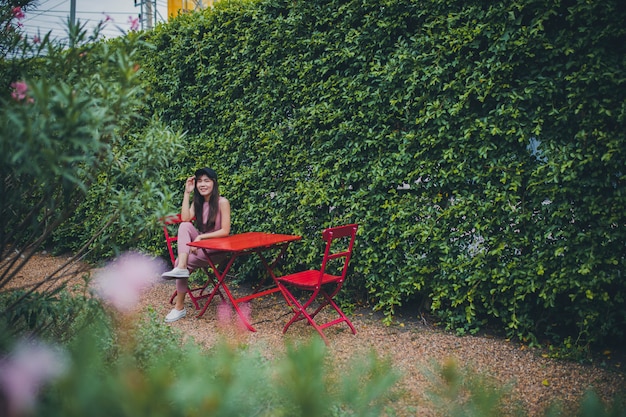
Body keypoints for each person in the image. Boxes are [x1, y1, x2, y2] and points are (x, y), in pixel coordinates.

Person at [161, 167, 231, 322]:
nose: (202, 184)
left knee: (180, 262)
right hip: (202, 249)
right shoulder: (197, 202)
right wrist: (187, 193)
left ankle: (179, 307)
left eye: (207, 181)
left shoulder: (222, 202)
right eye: (199, 181)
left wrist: (201, 239)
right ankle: (181, 269)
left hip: (217, 250)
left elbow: (225, 231)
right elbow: (185, 219)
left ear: (214, 183)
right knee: (184, 226)